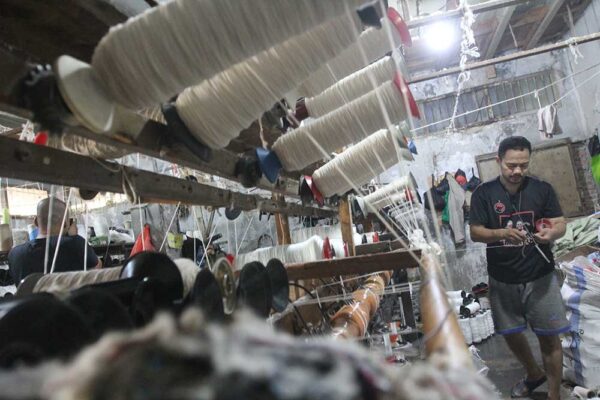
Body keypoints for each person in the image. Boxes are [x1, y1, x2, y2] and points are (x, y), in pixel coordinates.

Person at [469, 136, 568, 400]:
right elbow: (475, 232)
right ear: (498, 160)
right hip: (502, 278)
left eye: (523, 165)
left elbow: (560, 223)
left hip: (540, 277)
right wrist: (500, 233)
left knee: (549, 337)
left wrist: (552, 233)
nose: (517, 171)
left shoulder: (542, 189)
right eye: (511, 165)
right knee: (510, 333)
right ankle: (534, 373)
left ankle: (554, 395)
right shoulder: (483, 193)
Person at [8, 197, 101, 284]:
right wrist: (74, 237)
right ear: (65, 224)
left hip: (32, 297)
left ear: (36, 222)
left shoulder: (15, 254)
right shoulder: (76, 244)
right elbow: (97, 267)